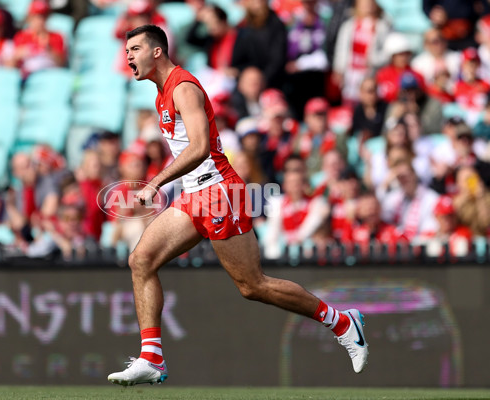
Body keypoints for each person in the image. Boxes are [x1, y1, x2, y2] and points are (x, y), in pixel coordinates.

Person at [107, 24, 369, 386]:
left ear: (156, 51)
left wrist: (155, 182)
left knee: (253, 286)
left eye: (134, 49)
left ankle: (342, 322)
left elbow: (200, 148)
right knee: (141, 260)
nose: (129, 57)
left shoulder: (182, 87)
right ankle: (151, 357)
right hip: (193, 196)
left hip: (218, 192)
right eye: (126, 51)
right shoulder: (160, 94)